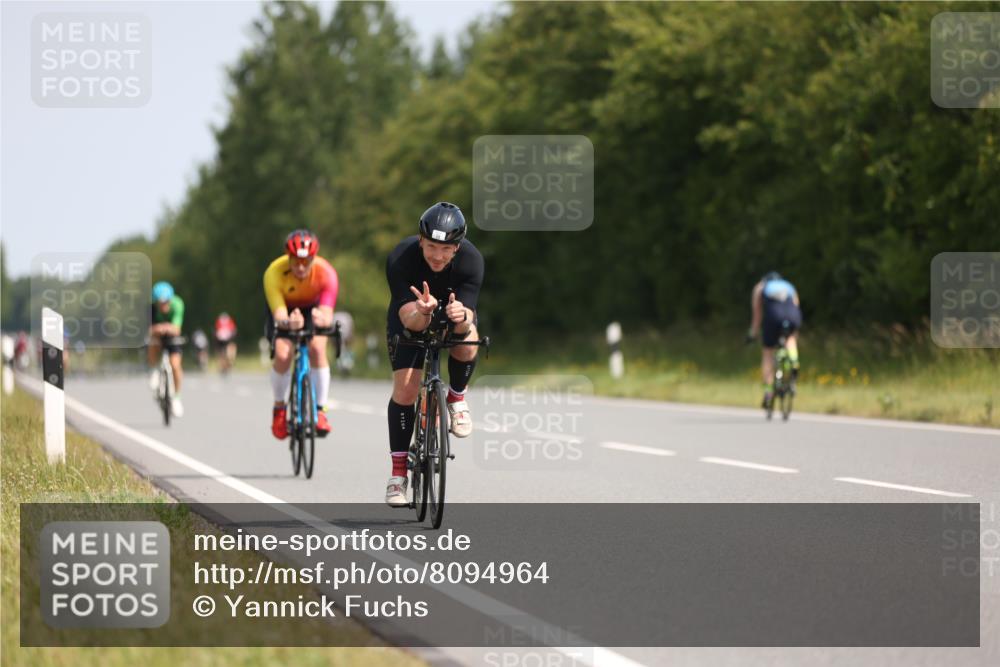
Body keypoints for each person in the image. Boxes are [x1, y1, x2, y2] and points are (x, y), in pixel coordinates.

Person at [383, 202, 484, 507]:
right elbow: (407, 319)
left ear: (457, 247)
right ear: (420, 240)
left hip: (452, 318)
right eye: (431, 247)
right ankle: (398, 475)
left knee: (469, 338)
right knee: (407, 390)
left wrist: (459, 314)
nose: (437, 256)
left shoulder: (471, 260)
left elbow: (468, 317)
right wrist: (422, 312)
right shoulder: (401, 257)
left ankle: (455, 397)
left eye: (445, 249)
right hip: (410, 318)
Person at [263, 229, 339, 440]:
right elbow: (278, 314)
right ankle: (279, 409)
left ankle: (320, 412)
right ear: (288, 257)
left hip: (312, 309)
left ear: (314, 258)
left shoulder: (327, 273)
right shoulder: (273, 273)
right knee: (283, 354)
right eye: (295, 261)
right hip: (285, 310)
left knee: (317, 348)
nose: (300, 267)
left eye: (306, 262)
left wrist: (322, 319)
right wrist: (288, 322)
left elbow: (327, 312)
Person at [747, 271, 802, 410]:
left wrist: (753, 333)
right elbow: (796, 305)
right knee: (790, 339)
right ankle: (794, 362)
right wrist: (795, 332)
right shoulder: (788, 285)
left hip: (773, 316)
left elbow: (757, 313)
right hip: (792, 315)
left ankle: (768, 393)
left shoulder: (760, 287)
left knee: (768, 353)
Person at [148, 281, 185, 417]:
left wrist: (164, 328)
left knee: (175, 365)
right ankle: (153, 371)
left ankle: (176, 398)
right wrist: (159, 329)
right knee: (153, 341)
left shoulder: (177, 304)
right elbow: (149, 330)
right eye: (160, 303)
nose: (163, 305)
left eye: (166, 302)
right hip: (157, 337)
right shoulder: (151, 308)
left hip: (172, 337)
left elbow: (176, 329)